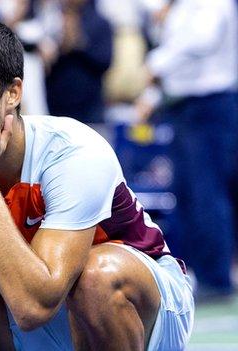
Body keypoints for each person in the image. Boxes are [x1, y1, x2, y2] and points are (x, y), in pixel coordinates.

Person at [0, 15, 193, 350]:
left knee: (98, 276)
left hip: (146, 314)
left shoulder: (72, 151)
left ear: (12, 92)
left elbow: (34, 306)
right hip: (27, 309)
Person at [135, 0, 238, 299]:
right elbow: (176, 60)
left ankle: (216, 278)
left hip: (210, 106)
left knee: (208, 192)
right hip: (182, 106)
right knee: (187, 192)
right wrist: (151, 96)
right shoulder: (179, 7)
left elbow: (200, 40)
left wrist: (154, 64)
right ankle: (195, 273)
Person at [44, 0, 112, 124]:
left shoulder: (99, 23)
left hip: (89, 108)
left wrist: (79, 43)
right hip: (57, 105)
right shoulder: (52, 21)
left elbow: (105, 61)